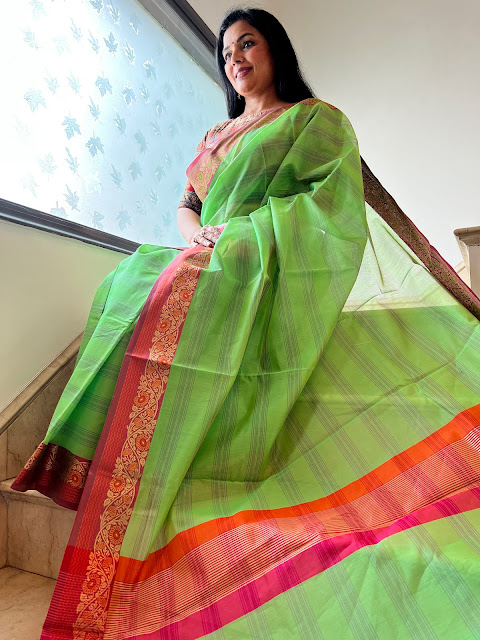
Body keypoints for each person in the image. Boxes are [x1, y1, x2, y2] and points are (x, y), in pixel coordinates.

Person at [12, 8, 480, 640]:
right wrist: (200, 236)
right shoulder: (218, 134)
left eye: (247, 43)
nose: (235, 59)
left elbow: (329, 206)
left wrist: (245, 238)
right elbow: (188, 205)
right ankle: (85, 463)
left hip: (261, 259)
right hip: (212, 251)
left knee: (168, 288)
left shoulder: (313, 121)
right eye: (226, 52)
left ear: (275, 49)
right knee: (127, 283)